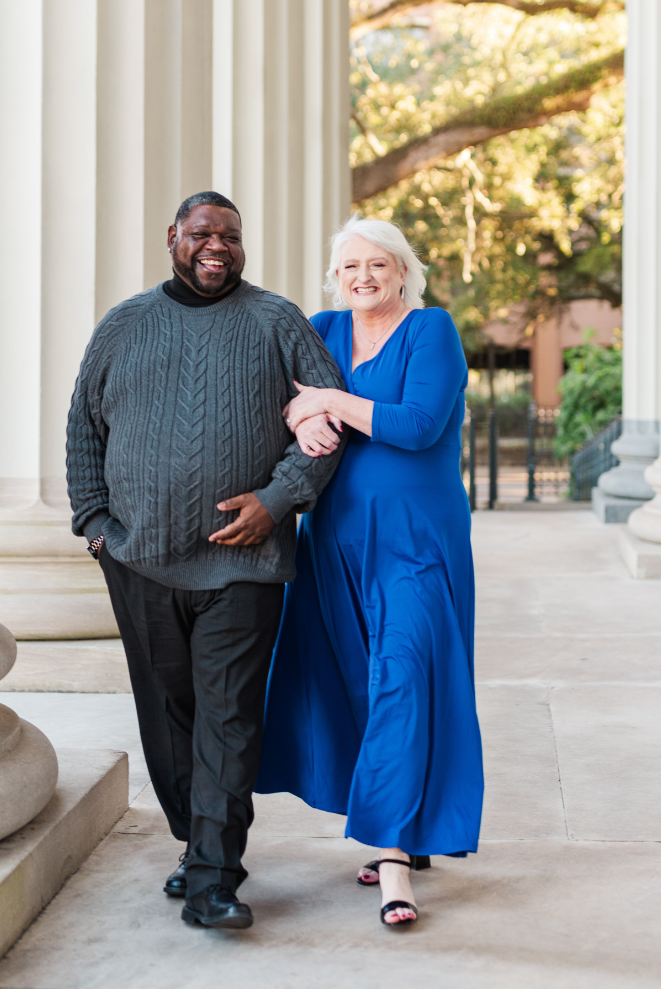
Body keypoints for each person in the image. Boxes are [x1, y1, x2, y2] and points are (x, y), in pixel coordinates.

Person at [65, 192, 345, 930]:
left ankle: (217, 876)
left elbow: (330, 413)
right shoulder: (124, 325)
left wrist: (278, 501)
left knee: (228, 717)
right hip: (141, 561)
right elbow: (83, 429)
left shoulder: (276, 320)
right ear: (173, 239)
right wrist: (96, 527)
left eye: (229, 235)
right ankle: (196, 845)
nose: (216, 245)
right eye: (202, 234)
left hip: (244, 568)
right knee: (168, 713)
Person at [256, 217, 483, 929]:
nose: (362, 276)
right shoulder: (321, 327)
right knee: (358, 681)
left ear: (402, 271)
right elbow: (276, 400)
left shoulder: (430, 331)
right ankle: (401, 827)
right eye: (350, 265)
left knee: (405, 676)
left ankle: (390, 863)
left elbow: (416, 424)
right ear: (335, 275)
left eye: (377, 264)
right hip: (336, 539)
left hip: (417, 539)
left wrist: (327, 400)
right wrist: (302, 417)